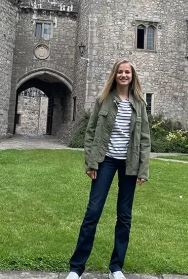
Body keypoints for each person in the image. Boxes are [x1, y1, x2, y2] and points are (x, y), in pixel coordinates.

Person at [66, 59, 151, 279]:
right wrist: (91, 162)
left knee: (124, 216)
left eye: (127, 72)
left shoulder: (140, 103)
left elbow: (144, 139)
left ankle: (116, 267)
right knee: (92, 213)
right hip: (105, 161)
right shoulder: (103, 100)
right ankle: (76, 268)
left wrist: (143, 170)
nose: (124, 75)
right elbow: (91, 132)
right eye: (120, 72)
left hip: (129, 163)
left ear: (132, 76)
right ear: (115, 75)